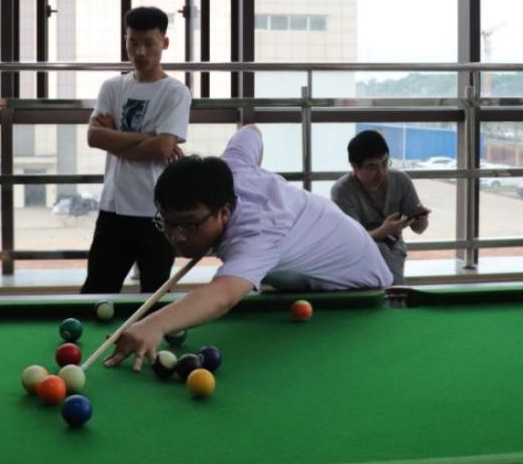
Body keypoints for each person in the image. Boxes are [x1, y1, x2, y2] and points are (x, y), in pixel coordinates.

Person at [104, 125, 392, 370]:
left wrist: (155, 324)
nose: (177, 237)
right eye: (168, 223)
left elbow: (224, 296)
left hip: (359, 285)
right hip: (308, 271)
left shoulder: (257, 231)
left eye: (189, 225)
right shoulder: (231, 167)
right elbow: (251, 130)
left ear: (224, 213)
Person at [83, 6, 192, 294]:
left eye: (149, 44)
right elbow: (94, 137)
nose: (140, 52)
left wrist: (116, 138)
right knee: (96, 290)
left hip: (156, 212)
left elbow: (163, 148)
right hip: (113, 208)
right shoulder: (112, 87)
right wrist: (149, 139)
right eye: (133, 43)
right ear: (125, 41)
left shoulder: (175, 92)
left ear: (164, 43)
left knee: (154, 294)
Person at [330, 129, 430, 285]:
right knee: (379, 252)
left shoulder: (401, 180)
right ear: (355, 167)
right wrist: (384, 231)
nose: (381, 173)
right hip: (357, 252)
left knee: (384, 253)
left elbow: (419, 229)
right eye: (372, 167)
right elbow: (351, 240)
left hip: (392, 248)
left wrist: (421, 219)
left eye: (384, 164)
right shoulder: (342, 191)